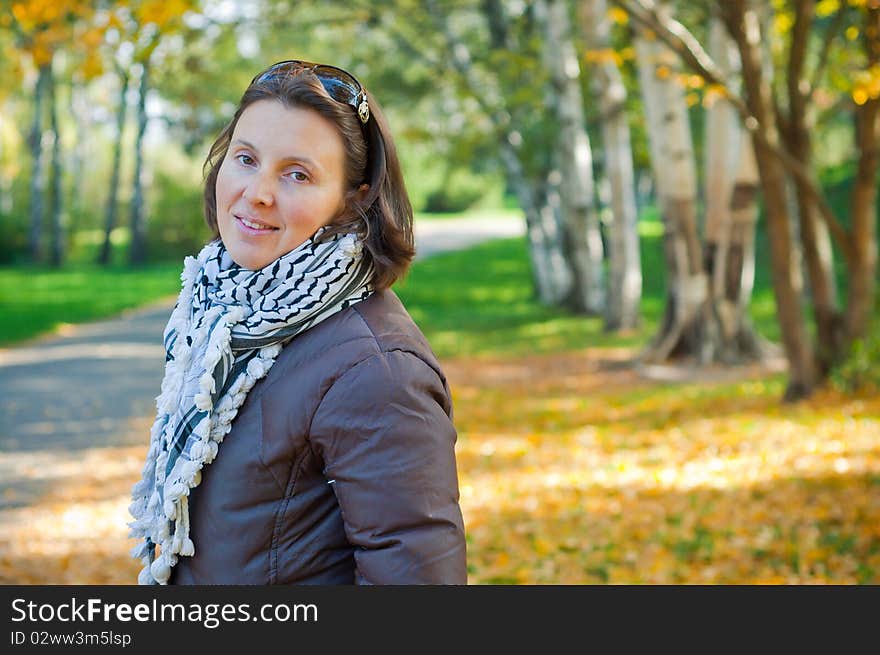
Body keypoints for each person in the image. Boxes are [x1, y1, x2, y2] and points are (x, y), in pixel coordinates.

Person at [128, 60, 467, 585]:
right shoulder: (221, 321)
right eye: (246, 159)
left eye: (297, 174)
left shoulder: (376, 371)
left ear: (353, 201)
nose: (257, 192)